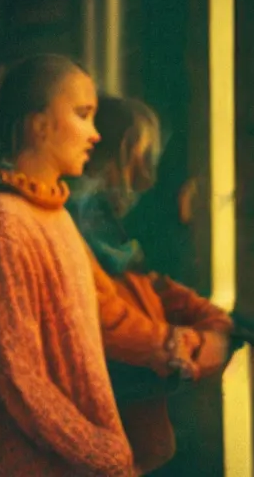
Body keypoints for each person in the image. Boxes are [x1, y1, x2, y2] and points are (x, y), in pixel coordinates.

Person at [0, 54, 137, 476]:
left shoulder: (56, 215)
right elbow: (20, 379)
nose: (95, 134)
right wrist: (107, 454)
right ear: (39, 125)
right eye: (82, 115)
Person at [67, 94, 234, 474]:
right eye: (135, 159)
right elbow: (109, 322)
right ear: (102, 154)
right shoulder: (72, 238)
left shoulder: (112, 242)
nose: (145, 179)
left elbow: (152, 287)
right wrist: (201, 343)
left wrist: (214, 324)